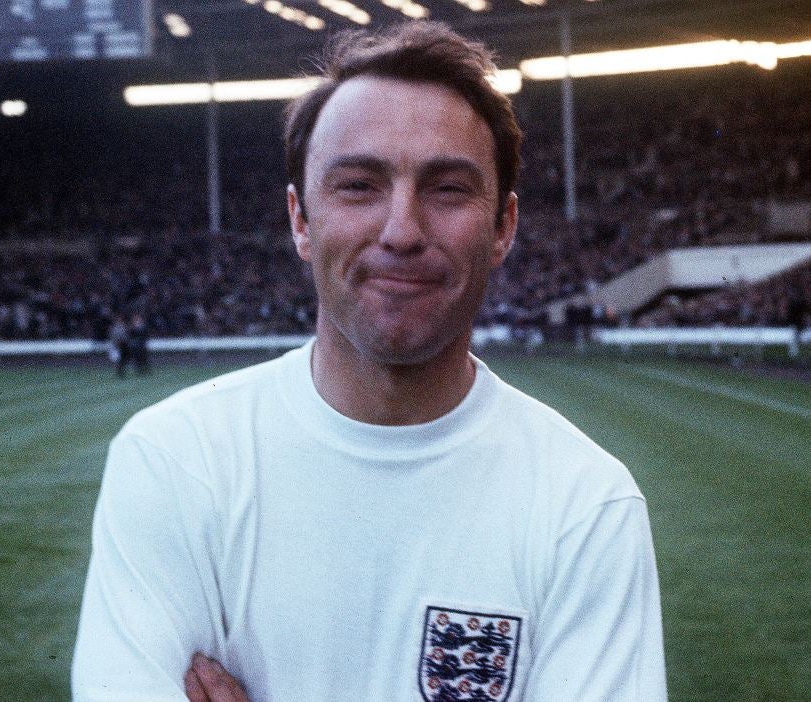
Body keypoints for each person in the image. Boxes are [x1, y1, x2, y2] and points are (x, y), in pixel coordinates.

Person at [73, 22, 666, 702]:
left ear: (503, 226)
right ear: (301, 219)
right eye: (358, 186)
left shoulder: (587, 504)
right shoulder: (173, 462)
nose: (402, 231)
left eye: (447, 189)